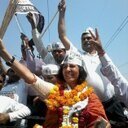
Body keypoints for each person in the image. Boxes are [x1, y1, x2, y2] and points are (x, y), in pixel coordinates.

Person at [0, 39, 110, 128]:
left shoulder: (90, 97)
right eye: (65, 67)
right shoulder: (55, 91)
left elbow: (100, 122)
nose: (67, 69)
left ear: (80, 70)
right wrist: (5, 53)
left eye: (72, 66)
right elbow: (30, 77)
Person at [58, 0, 128, 125]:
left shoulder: (103, 56)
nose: (86, 40)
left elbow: (117, 78)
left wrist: (101, 51)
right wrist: (62, 14)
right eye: (83, 39)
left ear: (96, 39)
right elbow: (62, 36)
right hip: (92, 105)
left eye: (89, 38)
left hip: (112, 104)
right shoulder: (78, 56)